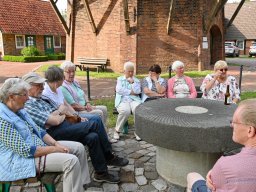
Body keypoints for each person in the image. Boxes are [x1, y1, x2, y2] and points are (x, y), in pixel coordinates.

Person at [22, 72, 128, 183]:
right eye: (39, 85)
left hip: (63, 125)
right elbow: (55, 120)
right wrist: (59, 114)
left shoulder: (42, 98)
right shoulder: (29, 104)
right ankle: (108, 156)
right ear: (28, 86)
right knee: (96, 121)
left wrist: (65, 115)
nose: (43, 87)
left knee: (93, 136)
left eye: (42, 84)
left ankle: (101, 173)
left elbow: (62, 109)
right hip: (51, 134)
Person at [0, 78, 90, 192]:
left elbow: (39, 131)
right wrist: (54, 149)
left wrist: (56, 143)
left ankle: (81, 185)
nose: (28, 98)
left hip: (38, 147)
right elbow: (25, 150)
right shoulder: (2, 119)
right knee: (71, 162)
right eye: (24, 95)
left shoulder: (20, 110)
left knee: (79, 148)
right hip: (19, 159)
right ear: (11, 96)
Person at [187, 99, 256, 192]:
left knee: (192, 176)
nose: (232, 125)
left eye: (235, 122)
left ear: (250, 131)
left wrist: (217, 173)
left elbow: (212, 186)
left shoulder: (226, 164)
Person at [59, 61, 108, 128]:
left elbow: (83, 94)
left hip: (85, 107)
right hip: (77, 111)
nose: (72, 74)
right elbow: (73, 106)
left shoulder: (74, 82)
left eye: (73, 71)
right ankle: (101, 134)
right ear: (63, 73)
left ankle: (104, 131)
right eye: (69, 72)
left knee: (104, 108)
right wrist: (86, 108)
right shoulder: (63, 87)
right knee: (99, 112)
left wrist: (88, 103)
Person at [114, 61, 142, 140]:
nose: (130, 73)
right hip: (123, 100)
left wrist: (132, 83)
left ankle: (138, 132)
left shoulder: (136, 80)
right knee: (125, 111)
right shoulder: (120, 79)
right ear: (124, 71)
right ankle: (117, 131)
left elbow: (138, 91)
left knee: (137, 109)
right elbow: (119, 90)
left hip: (134, 100)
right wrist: (131, 92)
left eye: (132, 71)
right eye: (129, 71)